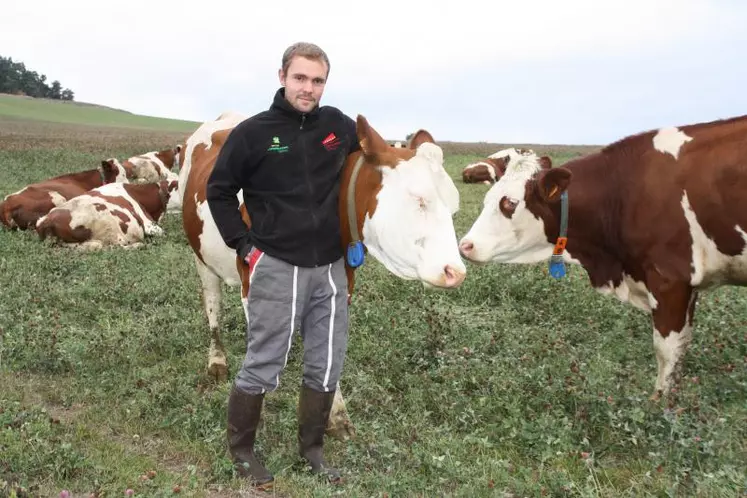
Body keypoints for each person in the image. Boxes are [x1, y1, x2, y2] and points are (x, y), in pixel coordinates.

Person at [205, 41, 359, 488]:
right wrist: (245, 247)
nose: (308, 88)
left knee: (327, 361)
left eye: (317, 81)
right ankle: (243, 451)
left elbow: (369, 164)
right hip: (277, 265)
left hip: (330, 267)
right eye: (300, 78)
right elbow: (219, 190)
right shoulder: (254, 133)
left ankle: (312, 450)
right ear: (282, 76)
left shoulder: (337, 126)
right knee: (264, 361)